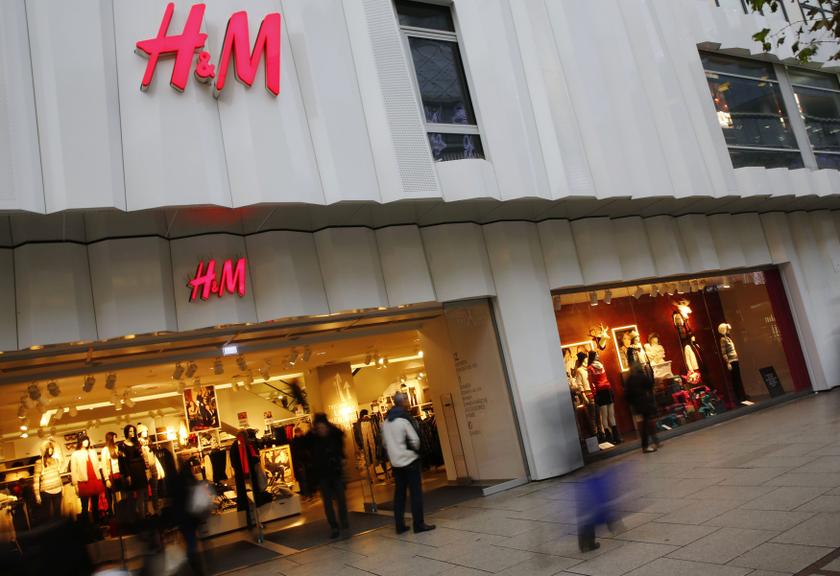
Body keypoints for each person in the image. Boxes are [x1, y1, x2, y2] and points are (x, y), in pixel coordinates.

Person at [381, 392, 435, 535]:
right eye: (406, 399)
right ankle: (418, 524)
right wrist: (414, 452)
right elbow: (415, 440)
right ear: (403, 402)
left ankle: (399, 525)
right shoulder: (404, 420)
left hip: (396, 464)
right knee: (415, 493)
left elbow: (385, 443)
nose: (409, 402)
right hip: (410, 461)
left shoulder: (385, 423)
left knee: (399, 495)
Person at [306, 413, 349, 539]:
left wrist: (342, 458)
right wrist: (311, 432)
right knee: (328, 502)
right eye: (318, 428)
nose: (321, 430)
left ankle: (343, 521)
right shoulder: (313, 438)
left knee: (341, 499)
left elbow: (340, 441)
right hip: (322, 474)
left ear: (327, 426)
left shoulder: (334, 434)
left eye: (323, 427)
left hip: (335, 472)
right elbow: (302, 444)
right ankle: (334, 526)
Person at [624, 363, 660, 453]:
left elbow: (627, 394)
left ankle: (654, 441)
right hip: (644, 402)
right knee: (646, 423)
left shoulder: (629, 379)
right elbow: (650, 385)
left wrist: (632, 404)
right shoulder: (641, 376)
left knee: (645, 422)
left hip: (637, 405)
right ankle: (647, 445)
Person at [34, 438, 64, 522]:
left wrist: (62, 486)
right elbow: (36, 480)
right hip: (46, 491)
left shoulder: (55, 460)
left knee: (58, 513)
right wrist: (37, 495)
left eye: (52, 448)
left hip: (57, 489)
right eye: (48, 448)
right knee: (47, 514)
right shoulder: (39, 462)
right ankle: (51, 531)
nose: (50, 450)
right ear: (45, 450)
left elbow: (58, 475)